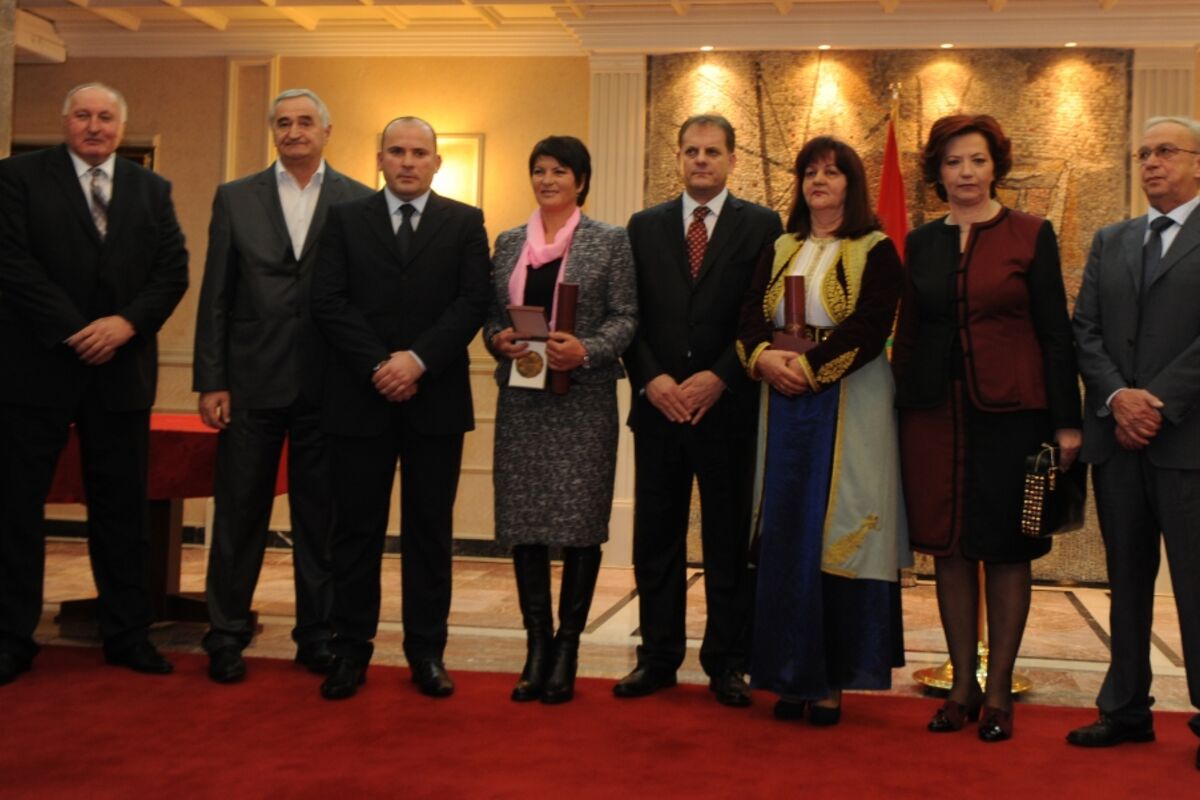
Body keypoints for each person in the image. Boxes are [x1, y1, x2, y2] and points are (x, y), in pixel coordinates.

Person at [893, 114, 1081, 742]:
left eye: (976, 160)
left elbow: (1056, 333)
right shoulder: (921, 242)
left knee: (1006, 548)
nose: (966, 173)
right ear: (938, 173)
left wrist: (1067, 423)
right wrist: (897, 409)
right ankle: (962, 689)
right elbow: (909, 334)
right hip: (933, 415)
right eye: (953, 162)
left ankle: (999, 692)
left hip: (1013, 416)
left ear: (995, 166)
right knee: (947, 547)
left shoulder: (1031, 233)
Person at [0, 83, 188, 685]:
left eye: (106, 117)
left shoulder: (152, 189)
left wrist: (124, 324)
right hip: (35, 371)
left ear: (120, 127)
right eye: (82, 115)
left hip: (121, 371)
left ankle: (127, 635)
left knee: (123, 512)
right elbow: (11, 263)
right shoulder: (18, 178)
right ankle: (11, 638)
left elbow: (172, 272)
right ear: (65, 122)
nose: (94, 125)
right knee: (14, 510)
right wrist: (75, 329)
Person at [193, 88, 373, 684]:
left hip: (329, 384)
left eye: (305, 122)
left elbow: (360, 299)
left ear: (327, 131)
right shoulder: (235, 197)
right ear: (273, 130)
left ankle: (316, 636)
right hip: (250, 381)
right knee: (238, 516)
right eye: (283, 122)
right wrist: (212, 380)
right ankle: (225, 634)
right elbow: (216, 294)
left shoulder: (358, 199)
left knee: (320, 521)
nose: (294, 131)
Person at [310, 116, 490, 701]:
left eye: (418, 152)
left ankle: (427, 653)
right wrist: (379, 365)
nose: (408, 161)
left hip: (435, 400)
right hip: (358, 398)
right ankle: (349, 651)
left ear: (437, 161)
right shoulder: (344, 219)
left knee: (429, 532)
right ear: (380, 159)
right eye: (397, 151)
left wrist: (416, 361)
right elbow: (329, 301)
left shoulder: (465, 222)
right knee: (354, 532)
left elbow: (472, 303)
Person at [737, 136, 908, 725]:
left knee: (835, 534)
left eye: (831, 173)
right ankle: (789, 673)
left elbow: (871, 325)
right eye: (810, 172)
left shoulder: (875, 249)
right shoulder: (781, 246)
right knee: (784, 533)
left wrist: (809, 370)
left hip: (850, 404)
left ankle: (832, 679)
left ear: (850, 185)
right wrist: (763, 358)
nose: (818, 181)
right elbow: (749, 315)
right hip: (781, 408)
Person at [618, 113, 782, 707]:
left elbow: (763, 314)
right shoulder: (644, 226)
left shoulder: (762, 225)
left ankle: (726, 663)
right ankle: (657, 658)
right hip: (659, 409)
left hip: (727, 409)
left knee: (726, 541)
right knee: (655, 539)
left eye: (712, 151)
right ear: (678, 158)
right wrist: (652, 378)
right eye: (691, 151)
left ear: (732, 159)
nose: (701, 161)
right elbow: (628, 315)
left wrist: (721, 376)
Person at [484, 136, 637, 704]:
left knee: (579, 524)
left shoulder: (609, 241)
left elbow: (627, 316)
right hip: (523, 399)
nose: (547, 180)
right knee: (524, 522)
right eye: (539, 170)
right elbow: (491, 316)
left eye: (559, 171)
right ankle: (536, 647)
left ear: (581, 181)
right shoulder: (508, 243)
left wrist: (588, 350)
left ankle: (568, 647)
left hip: (583, 400)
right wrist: (497, 338)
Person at [1068, 116, 1200, 769]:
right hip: (1116, 440)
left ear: (1198, 163)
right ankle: (1124, 709)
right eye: (1143, 152)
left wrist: (1157, 401)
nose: (1150, 162)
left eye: (1165, 151)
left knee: (1196, 584)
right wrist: (1119, 398)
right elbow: (1085, 329)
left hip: (1188, 442)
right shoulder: (1111, 239)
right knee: (1126, 579)